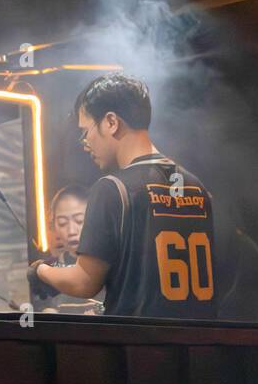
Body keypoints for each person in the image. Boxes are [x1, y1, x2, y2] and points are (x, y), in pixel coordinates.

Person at [31, 74, 217, 319]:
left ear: (110, 122)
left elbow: (85, 281)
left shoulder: (113, 188)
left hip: (140, 346)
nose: (85, 142)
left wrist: (40, 272)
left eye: (86, 131)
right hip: (199, 346)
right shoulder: (196, 187)